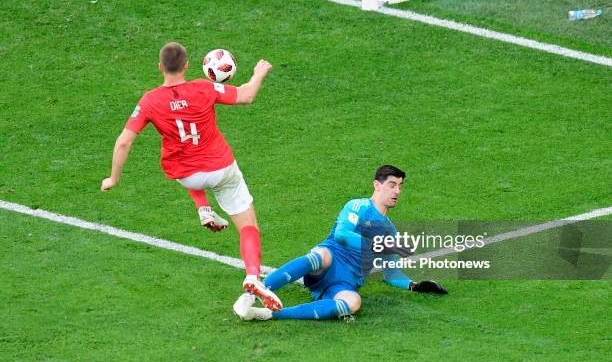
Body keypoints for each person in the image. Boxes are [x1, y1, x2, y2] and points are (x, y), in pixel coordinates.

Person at [100, 42, 282, 311]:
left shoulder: (150, 100)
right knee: (248, 225)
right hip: (221, 169)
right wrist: (259, 73)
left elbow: (124, 142)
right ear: (187, 66)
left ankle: (203, 207)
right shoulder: (204, 87)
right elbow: (246, 96)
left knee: (173, 154)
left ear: (160, 66)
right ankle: (253, 276)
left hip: (188, 176)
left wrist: (113, 178)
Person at [233, 165, 447, 321]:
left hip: (343, 283)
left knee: (354, 303)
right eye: (392, 185)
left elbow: (392, 274)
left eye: (400, 186)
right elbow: (343, 235)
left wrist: (414, 286)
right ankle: (251, 294)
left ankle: (268, 314)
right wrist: (378, 245)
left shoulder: (389, 231)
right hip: (329, 261)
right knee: (321, 256)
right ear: (377, 185)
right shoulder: (358, 206)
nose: (397, 191)